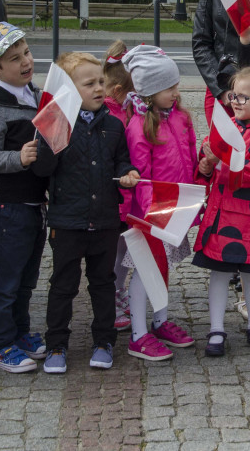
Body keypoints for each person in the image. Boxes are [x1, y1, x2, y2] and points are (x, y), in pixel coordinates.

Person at [32, 52, 139, 373]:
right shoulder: (55, 122)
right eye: (89, 83)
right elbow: (41, 170)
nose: (99, 88)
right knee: (63, 284)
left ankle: (104, 341)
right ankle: (56, 345)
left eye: (101, 82)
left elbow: (122, 160)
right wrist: (51, 135)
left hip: (106, 219)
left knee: (103, 282)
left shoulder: (113, 125)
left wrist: (128, 173)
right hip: (67, 221)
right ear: (68, 88)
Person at [0, 22, 49, 373]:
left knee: (25, 278)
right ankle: (0, 344)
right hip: (5, 208)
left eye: (27, 53)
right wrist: (17, 158)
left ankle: (19, 332)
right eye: (15, 59)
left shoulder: (33, 94)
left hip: (34, 206)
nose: (25, 62)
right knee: (4, 281)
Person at [194, 67, 250, 357]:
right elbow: (210, 169)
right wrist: (206, 166)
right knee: (218, 275)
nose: (235, 101)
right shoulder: (227, 127)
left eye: (244, 97)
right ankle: (217, 327)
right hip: (222, 215)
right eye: (234, 95)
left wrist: (218, 161)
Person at [120, 45, 197, 362]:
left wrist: (193, 198)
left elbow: (189, 159)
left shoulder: (180, 118)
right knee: (143, 271)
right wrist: (155, 217)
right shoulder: (140, 126)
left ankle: (161, 320)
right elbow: (143, 177)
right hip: (152, 216)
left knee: (163, 268)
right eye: (169, 87)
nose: (176, 93)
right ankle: (138, 334)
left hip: (174, 209)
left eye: (176, 85)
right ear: (149, 91)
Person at [102, 40, 135, 331]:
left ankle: (120, 291)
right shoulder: (110, 116)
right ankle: (112, 296)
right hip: (115, 198)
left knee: (123, 250)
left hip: (129, 197)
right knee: (114, 252)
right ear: (118, 92)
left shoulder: (127, 112)